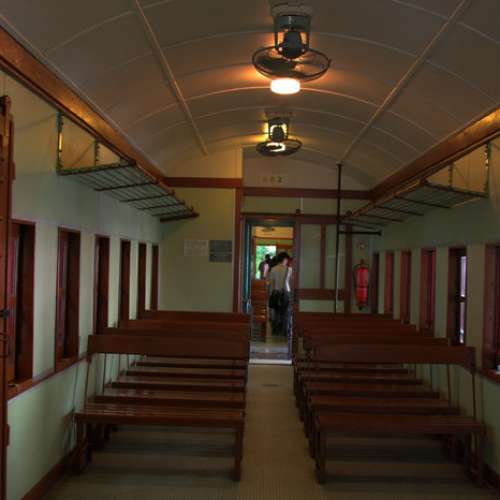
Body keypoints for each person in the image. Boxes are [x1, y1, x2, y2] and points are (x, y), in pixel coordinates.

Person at [267, 252, 292, 336]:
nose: (287, 261)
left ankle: (275, 330)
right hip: (286, 292)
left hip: (276, 292)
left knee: (276, 312)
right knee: (286, 312)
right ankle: (285, 331)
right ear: (284, 259)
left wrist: (270, 294)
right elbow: (291, 283)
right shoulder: (289, 269)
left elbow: (272, 283)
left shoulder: (273, 269)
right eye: (287, 259)